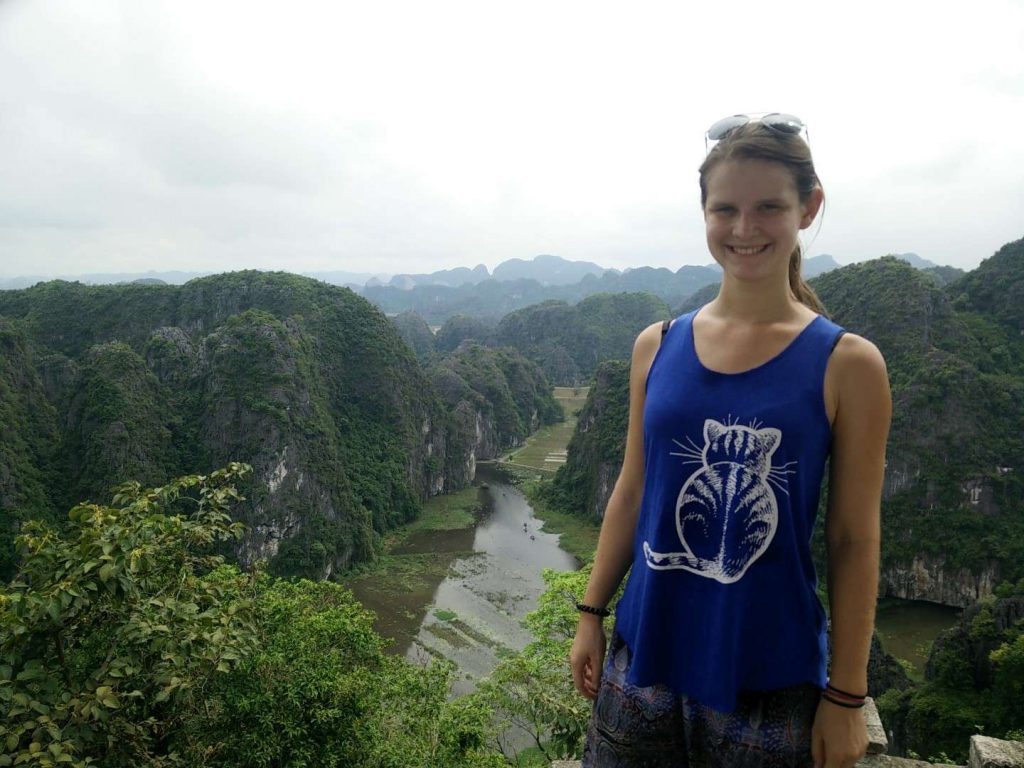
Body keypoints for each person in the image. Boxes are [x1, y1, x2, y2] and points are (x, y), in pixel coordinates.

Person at [569, 114, 892, 768]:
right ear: (704, 214)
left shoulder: (848, 365)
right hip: (643, 662)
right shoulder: (655, 346)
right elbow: (633, 490)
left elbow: (853, 538)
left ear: (810, 208)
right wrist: (590, 611)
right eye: (726, 210)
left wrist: (848, 696)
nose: (744, 229)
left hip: (769, 679)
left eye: (768, 207)